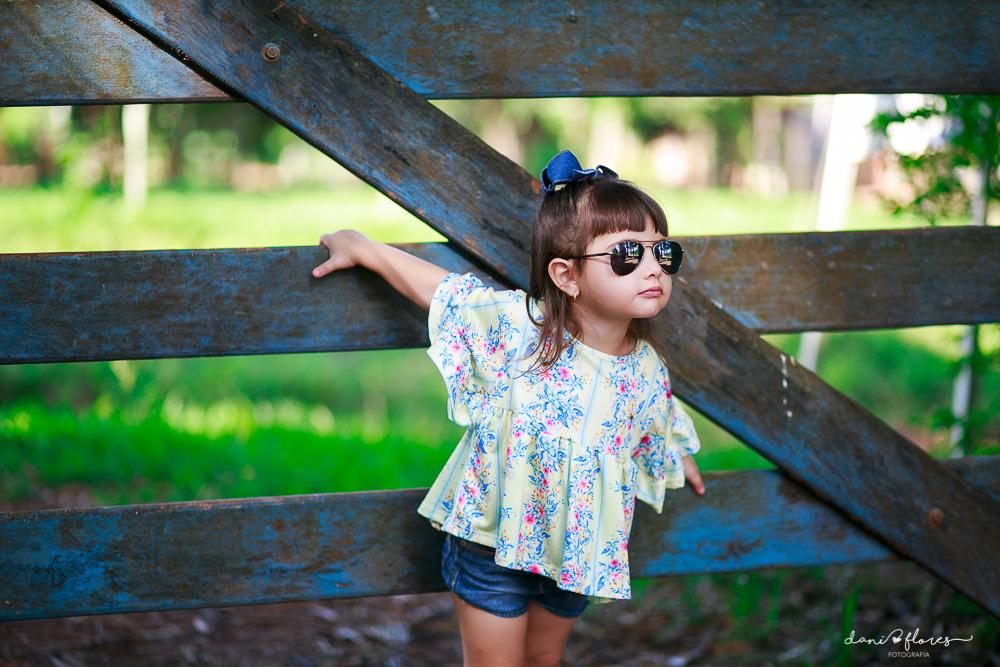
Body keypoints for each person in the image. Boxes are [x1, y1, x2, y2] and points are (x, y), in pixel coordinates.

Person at [312, 150, 706, 667]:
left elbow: (656, 419)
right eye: (627, 254)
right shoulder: (522, 331)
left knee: (543, 659)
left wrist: (676, 453)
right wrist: (365, 249)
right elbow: (449, 295)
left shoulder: (647, 367)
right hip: (492, 546)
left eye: (663, 253)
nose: (653, 267)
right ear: (566, 275)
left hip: (575, 553)